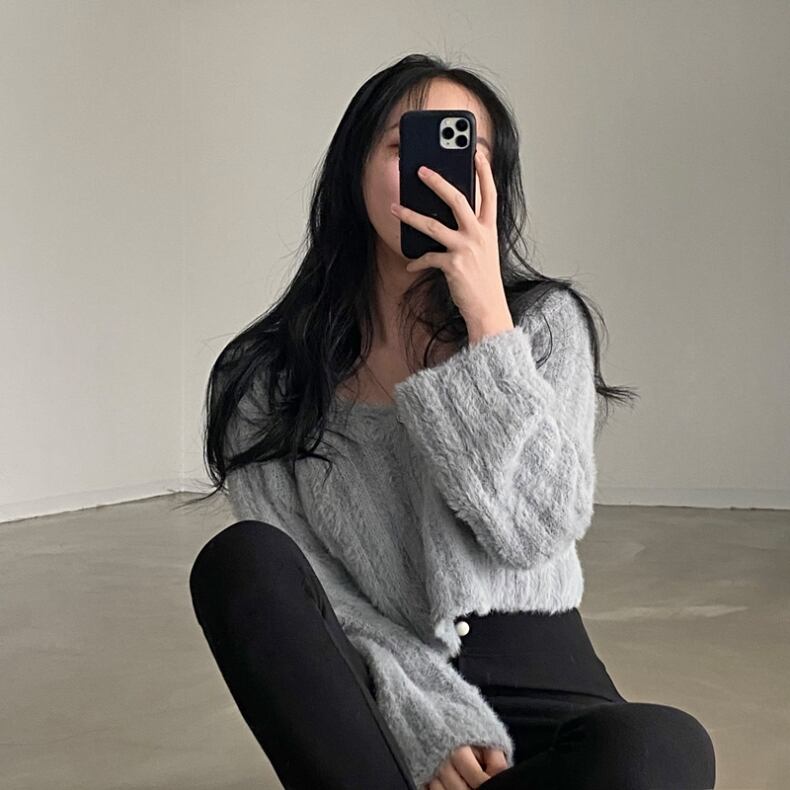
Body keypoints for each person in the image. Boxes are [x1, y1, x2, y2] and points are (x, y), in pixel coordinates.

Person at [186, 53, 716, 790]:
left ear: (492, 181)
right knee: (240, 560)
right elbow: (316, 591)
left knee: (663, 745)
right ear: (353, 170)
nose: (432, 175)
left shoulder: (543, 325)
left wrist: (488, 320)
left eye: (463, 151)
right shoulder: (268, 377)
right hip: (376, 690)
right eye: (404, 147)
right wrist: (420, 712)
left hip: (542, 681)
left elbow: (537, 530)